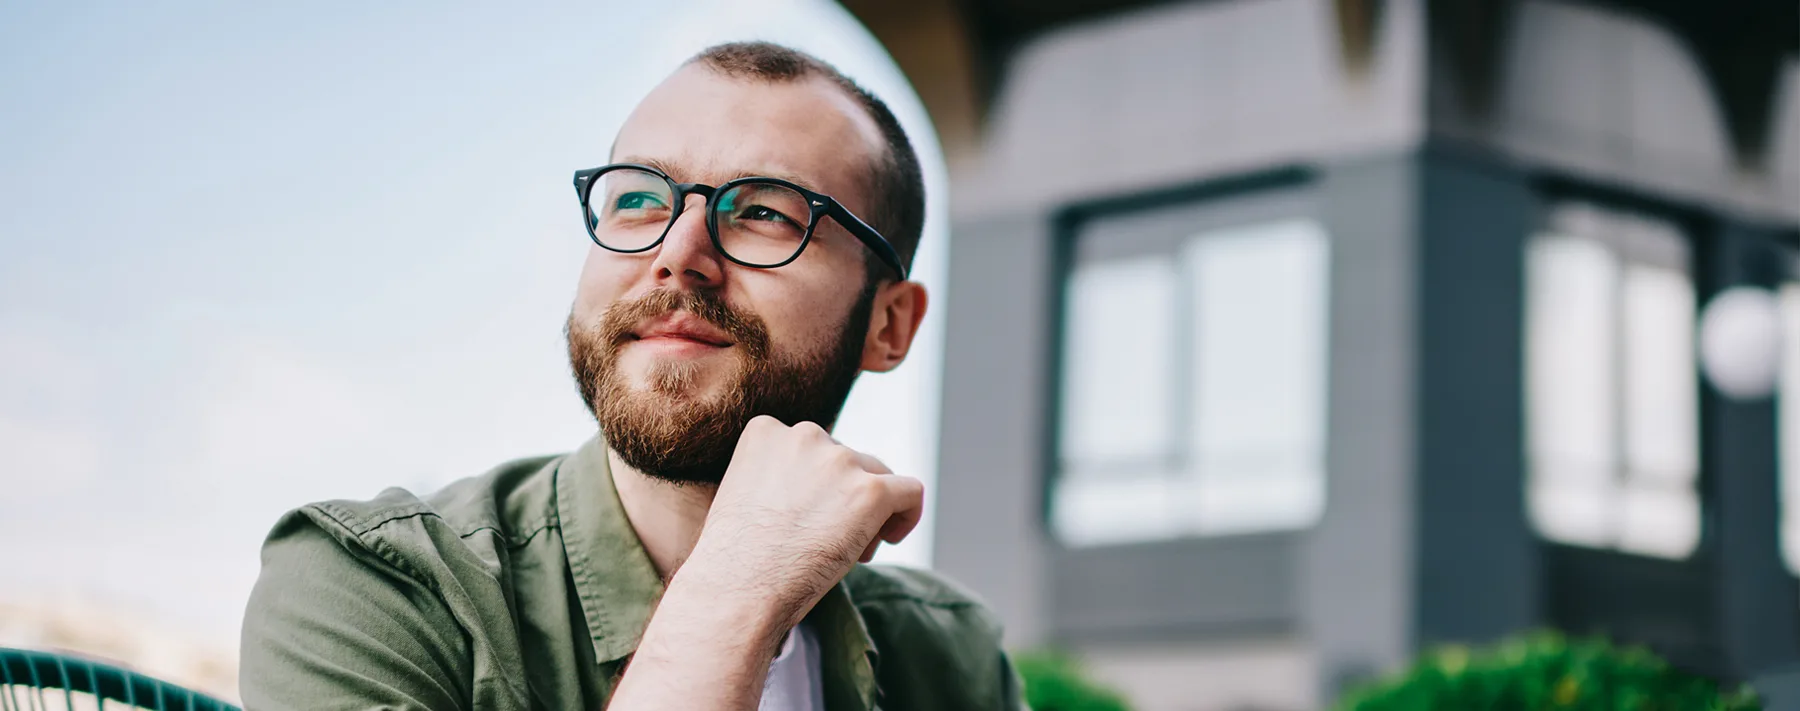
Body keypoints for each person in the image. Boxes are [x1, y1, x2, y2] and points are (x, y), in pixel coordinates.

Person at [238, 41, 1026, 711]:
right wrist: (737, 590)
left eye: (765, 213)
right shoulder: (377, 588)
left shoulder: (951, 657)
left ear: (889, 323)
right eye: (641, 198)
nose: (678, 251)